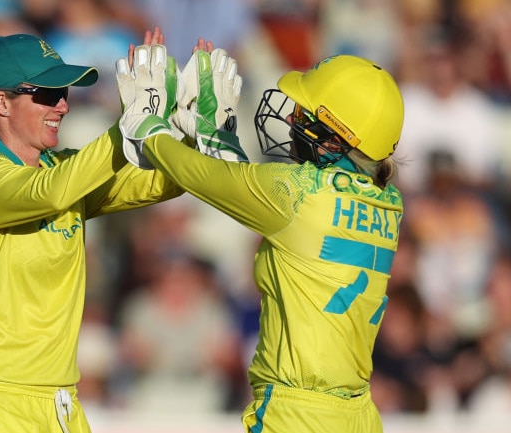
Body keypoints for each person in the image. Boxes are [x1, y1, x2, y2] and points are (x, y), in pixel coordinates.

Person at [118, 41, 405, 432]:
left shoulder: (298, 192)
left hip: (297, 414)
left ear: (336, 139)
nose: (291, 121)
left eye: (303, 114)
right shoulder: (390, 203)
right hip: (358, 414)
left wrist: (149, 126)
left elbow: (203, 178)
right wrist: (214, 136)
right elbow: (251, 189)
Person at [0, 28, 185, 433]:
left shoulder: (61, 170)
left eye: (65, 93)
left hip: (60, 401)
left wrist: (194, 130)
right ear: (1, 103)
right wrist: (129, 123)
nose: (64, 106)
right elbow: (51, 194)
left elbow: (161, 182)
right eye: (48, 95)